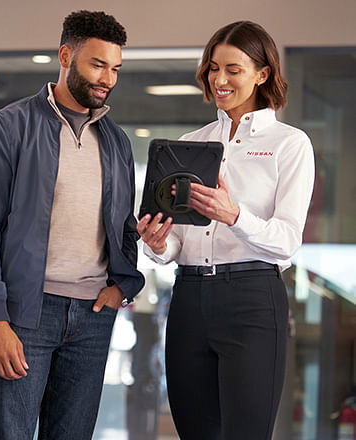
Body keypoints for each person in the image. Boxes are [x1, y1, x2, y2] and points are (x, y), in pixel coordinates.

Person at [0, 10, 145, 440]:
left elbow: (125, 227)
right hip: (25, 315)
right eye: (98, 65)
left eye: (115, 68)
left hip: (93, 318)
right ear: (66, 55)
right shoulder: (9, 126)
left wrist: (123, 286)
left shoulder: (116, 140)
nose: (107, 79)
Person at [137, 21, 315, 440]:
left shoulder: (289, 144)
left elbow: (287, 240)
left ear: (262, 73)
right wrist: (159, 245)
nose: (219, 79)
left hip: (252, 300)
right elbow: (177, 241)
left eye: (233, 69)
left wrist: (234, 215)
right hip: (187, 299)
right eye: (213, 68)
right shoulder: (190, 141)